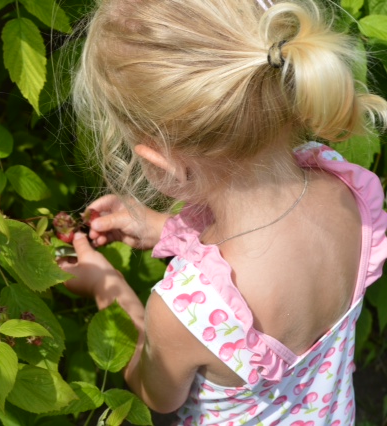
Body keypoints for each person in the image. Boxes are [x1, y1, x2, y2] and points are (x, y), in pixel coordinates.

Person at [58, 0, 387, 424]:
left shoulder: (186, 312)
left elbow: (153, 394)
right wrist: (163, 230)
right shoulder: (349, 191)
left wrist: (109, 290)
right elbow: (273, 250)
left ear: (159, 163)